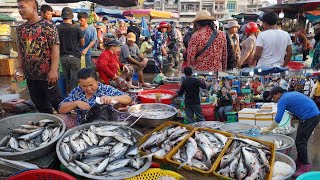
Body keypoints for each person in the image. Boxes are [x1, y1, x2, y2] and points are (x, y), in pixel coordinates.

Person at [262, 87, 320, 177]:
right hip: (311, 114)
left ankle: (305, 166)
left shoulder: (283, 99)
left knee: (301, 142)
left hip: (310, 116)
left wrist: (268, 129)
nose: (273, 100)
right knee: (299, 140)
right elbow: (299, 104)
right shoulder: (288, 95)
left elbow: (278, 119)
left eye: (273, 97)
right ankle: (300, 160)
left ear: (278, 94)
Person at [16, 0, 62, 113]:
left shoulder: (48, 26)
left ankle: (67, 125)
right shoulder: (20, 29)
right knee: (40, 105)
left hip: (48, 75)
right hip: (30, 76)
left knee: (57, 103)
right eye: (18, 8)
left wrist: (53, 70)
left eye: (22, 7)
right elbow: (21, 51)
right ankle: (49, 125)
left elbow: (55, 49)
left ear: (33, 8)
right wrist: (19, 68)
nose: (20, 11)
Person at [59, 68, 131, 125]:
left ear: (97, 81)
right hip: (83, 124)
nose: (88, 89)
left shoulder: (105, 89)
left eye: (91, 85)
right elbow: (61, 109)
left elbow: (128, 99)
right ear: (79, 84)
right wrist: (76, 103)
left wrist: (112, 98)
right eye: (84, 86)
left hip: (106, 124)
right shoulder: (77, 91)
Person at [57, 7, 84, 92]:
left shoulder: (56, 28)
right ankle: (73, 99)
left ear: (62, 16)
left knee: (64, 79)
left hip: (62, 58)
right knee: (74, 81)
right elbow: (82, 43)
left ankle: (65, 99)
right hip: (75, 57)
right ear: (72, 17)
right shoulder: (76, 28)